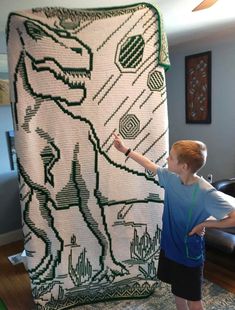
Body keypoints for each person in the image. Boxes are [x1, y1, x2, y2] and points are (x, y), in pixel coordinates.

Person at [112, 133, 235, 310]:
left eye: (171, 157)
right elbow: (148, 164)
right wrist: (124, 149)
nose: (167, 159)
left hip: (188, 253)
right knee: (177, 291)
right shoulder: (171, 178)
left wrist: (204, 224)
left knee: (194, 300)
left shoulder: (206, 192)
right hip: (170, 246)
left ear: (183, 166)